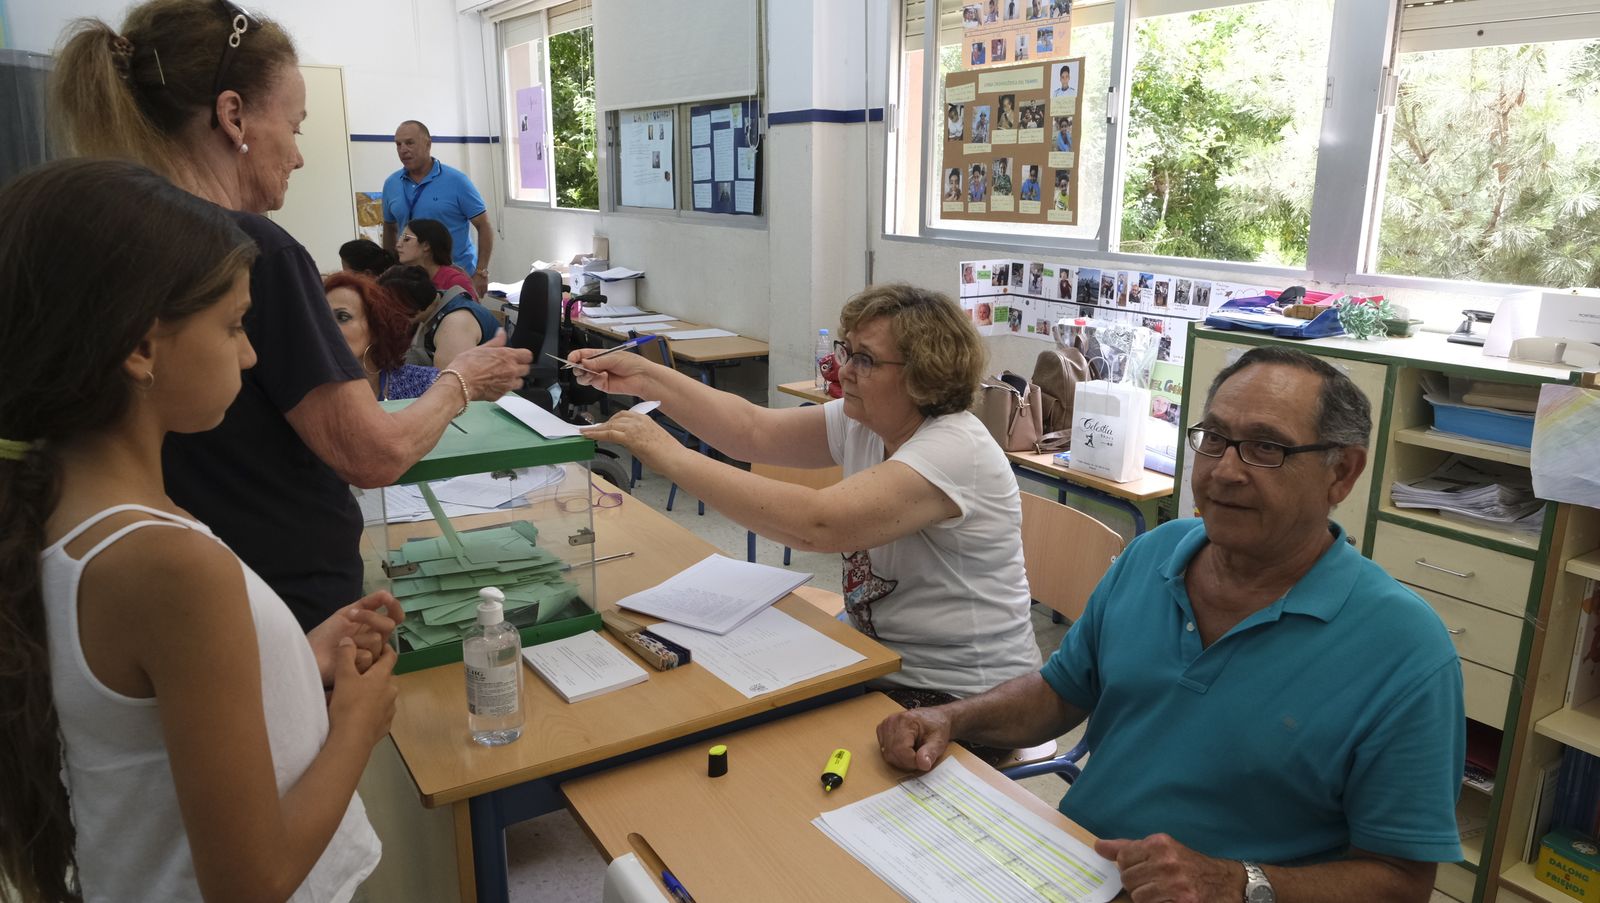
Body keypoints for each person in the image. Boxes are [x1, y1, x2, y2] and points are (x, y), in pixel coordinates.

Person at [877, 347, 1464, 903]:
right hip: (1076, 868)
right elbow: (1061, 692)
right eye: (1214, 439)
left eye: (1266, 448)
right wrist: (951, 717)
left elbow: (1400, 880)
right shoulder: (1156, 552)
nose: (1225, 471)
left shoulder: (1403, 649)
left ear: (1342, 473)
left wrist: (1239, 883)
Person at [51, 1, 531, 631]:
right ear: (232, 115)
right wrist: (462, 381)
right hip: (281, 597)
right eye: (297, 127)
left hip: (176, 592)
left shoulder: (104, 233)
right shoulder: (256, 252)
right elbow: (371, 454)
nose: (299, 156)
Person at [0, 157, 401, 903]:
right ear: (142, 347)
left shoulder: (70, 509)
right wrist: (356, 722)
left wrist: (302, 656)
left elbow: (143, 711)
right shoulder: (171, 565)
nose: (250, 355)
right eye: (234, 325)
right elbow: (251, 881)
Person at [576, 286, 1042, 733]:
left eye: (866, 359)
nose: (845, 371)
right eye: (848, 351)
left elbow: (819, 525)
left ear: (925, 374)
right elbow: (750, 430)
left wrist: (670, 454)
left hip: (964, 697)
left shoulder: (954, 448)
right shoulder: (867, 421)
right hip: (879, 661)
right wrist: (643, 375)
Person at [381, 120, 496, 297]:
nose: (403, 149)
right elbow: (390, 228)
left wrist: (481, 272)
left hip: (454, 278)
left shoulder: (457, 181)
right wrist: (389, 270)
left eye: (410, 142)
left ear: (428, 144)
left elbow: (484, 225)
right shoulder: (391, 184)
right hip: (411, 280)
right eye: (398, 144)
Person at [325, 272, 440, 401]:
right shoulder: (312, 393)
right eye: (323, 318)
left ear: (375, 328)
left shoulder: (426, 384)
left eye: (343, 317)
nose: (328, 328)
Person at [396, 217, 477, 299]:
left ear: (426, 245)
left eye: (406, 239)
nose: (398, 245)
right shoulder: (401, 278)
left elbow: (472, 310)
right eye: (400, 239)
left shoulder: (455, 282)